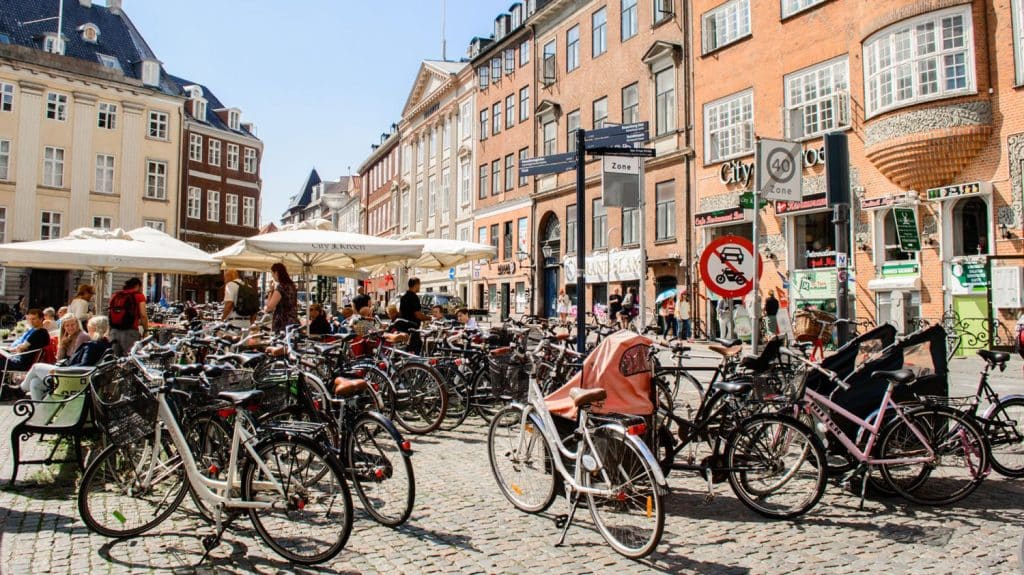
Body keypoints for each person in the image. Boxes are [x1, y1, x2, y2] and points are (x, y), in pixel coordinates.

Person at [21, 316, 112, 401]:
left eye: (89, 329)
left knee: (36, 367)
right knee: (34, 383)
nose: (88, 331)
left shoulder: (93, 345)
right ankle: (39, 413)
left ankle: (21, 389)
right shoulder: (105, 344)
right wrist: (62, 345)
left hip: (70, 378)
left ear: (93, 329)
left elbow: (84, 366)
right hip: (72, 375)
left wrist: (62, 370)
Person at [1, 309, 51, 373]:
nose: (31, 321)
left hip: (22, 363)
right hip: (20, 360)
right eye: (29, 319)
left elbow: (20, 348)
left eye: (33, 319)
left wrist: (9, 350)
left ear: (41, 319)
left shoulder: (39, 333)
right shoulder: (38, 331)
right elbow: (20, 348)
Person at [108, 278, 148, 356]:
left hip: (114, 331)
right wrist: (145, 330)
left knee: (114, 360)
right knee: (131, 359)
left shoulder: (115, 295)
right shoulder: (139, 296)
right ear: (137, 286)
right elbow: (143, 315)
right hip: (130, 332)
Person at [264, 263, 299, 332]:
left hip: (282, 323)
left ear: (276, 273)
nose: (272, 277)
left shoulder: (281, 287)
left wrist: (271, 292)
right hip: (293, 320)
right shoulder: (292, 286)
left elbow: (269, 308)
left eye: (272, 274)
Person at [398, 277, 428, 353]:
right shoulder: (414, 297)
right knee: (417, 349)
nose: (420, 287)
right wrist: (429, 318)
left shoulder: (403, 297)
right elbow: (417, 315)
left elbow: (401, 312)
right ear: (416, 285)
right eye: (419, 284)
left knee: (407, 350)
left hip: (404, 328)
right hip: (413, 328)